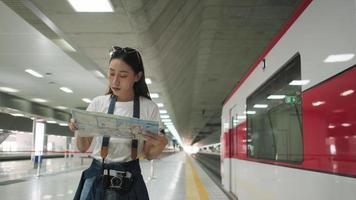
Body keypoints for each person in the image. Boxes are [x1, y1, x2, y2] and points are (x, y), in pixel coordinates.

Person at [69, 46, 168, 200]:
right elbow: (83, 147)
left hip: (130, 178)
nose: (115, 81)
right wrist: (79, 128)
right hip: (97, 176)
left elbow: (148, 154)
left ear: (137, 76)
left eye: (123, 75)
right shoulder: (98, 103)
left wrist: (160, 144)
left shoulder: (149, 108)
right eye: (111, 73)